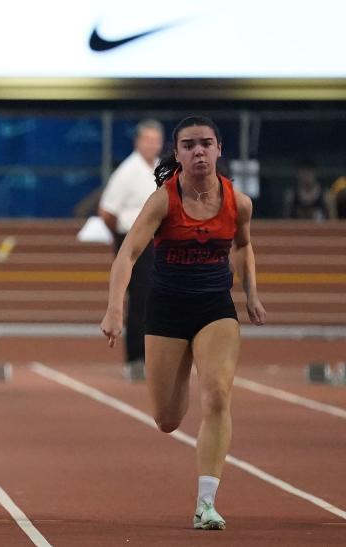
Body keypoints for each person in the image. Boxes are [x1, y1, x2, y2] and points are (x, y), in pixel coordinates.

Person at [99, 116, 266, 530]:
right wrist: (115, 309)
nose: (198, 152)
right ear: (177, 154)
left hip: (214, 308)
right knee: (167, 419)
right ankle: (186, 363)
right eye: (189, 145)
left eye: (206, 144)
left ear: (219, 149)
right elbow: (127, 255)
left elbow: (243, 247)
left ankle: (205, 503)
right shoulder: (163, 200)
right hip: (167, 310)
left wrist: (251, 294)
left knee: (217, 396)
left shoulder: (237, 202)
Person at [98, 119, 164, 380]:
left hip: (158, 241)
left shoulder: (162, 169)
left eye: (156, 140)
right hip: (136, 241)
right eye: (148, 139)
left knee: (158, 299)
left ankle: (156, 356)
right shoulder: (127, 171)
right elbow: (107, 211)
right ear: (138, 142)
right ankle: (136, 357)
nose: (152, 145)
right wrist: (123, 237)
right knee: (140, 299)